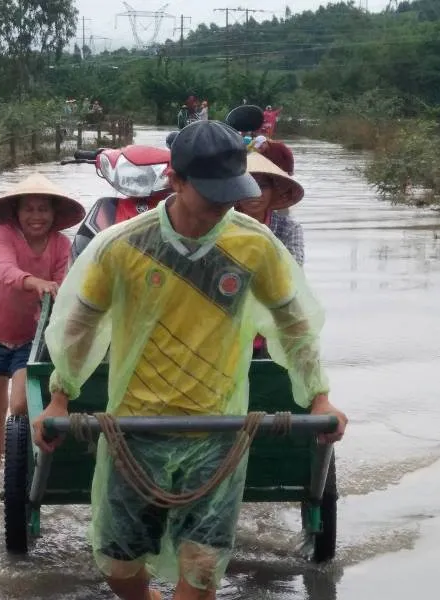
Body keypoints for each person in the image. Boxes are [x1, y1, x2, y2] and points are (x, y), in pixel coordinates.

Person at [33, 120, 347, 600]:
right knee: (118, 564)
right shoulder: (123, 246)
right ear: (175, 180)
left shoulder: (255, 245)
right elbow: (80, 325)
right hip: (133, 428)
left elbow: (294, 326)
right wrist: (60, 395)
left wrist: (319, 396)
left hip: (219, 431)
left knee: (202, 570)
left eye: (231, 194)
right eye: (211, 194)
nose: (223, 206)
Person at [0, 174, 85, 461]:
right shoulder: (5, 234)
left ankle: (20, 462)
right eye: (29, 209)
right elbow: (5, 270)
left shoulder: (61, 244)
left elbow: (62, 286)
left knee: (20, 405)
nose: (37, 217)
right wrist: (37, 283)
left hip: (29, 339)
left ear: (54, 213)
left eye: (43, 209)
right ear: (17, 212)